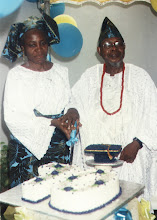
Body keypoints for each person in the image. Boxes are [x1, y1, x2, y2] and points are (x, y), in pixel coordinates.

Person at [70, 17, 157, 200]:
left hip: (131, 157)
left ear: (124, 47)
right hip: (96, 161)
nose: (114, 49)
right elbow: (74, 101)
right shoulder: (89, 76)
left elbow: (154, 112)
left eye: (118, 44)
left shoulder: (140, 77)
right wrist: (73, 111)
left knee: (130, 204)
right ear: (99, 50)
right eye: (108, 44)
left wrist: (138, 143)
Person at [2, 15, 79, 188]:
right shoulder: (16, 76)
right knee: (29, 202)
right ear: (23, 48)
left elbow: (69, 100)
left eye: (43, 43)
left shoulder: (61, 71)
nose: (39, 49)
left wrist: (72, 111)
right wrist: (52, 122)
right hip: (27, 148)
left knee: (59, 194)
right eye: (32, 45)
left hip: (59, 146)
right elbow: (13, 117)